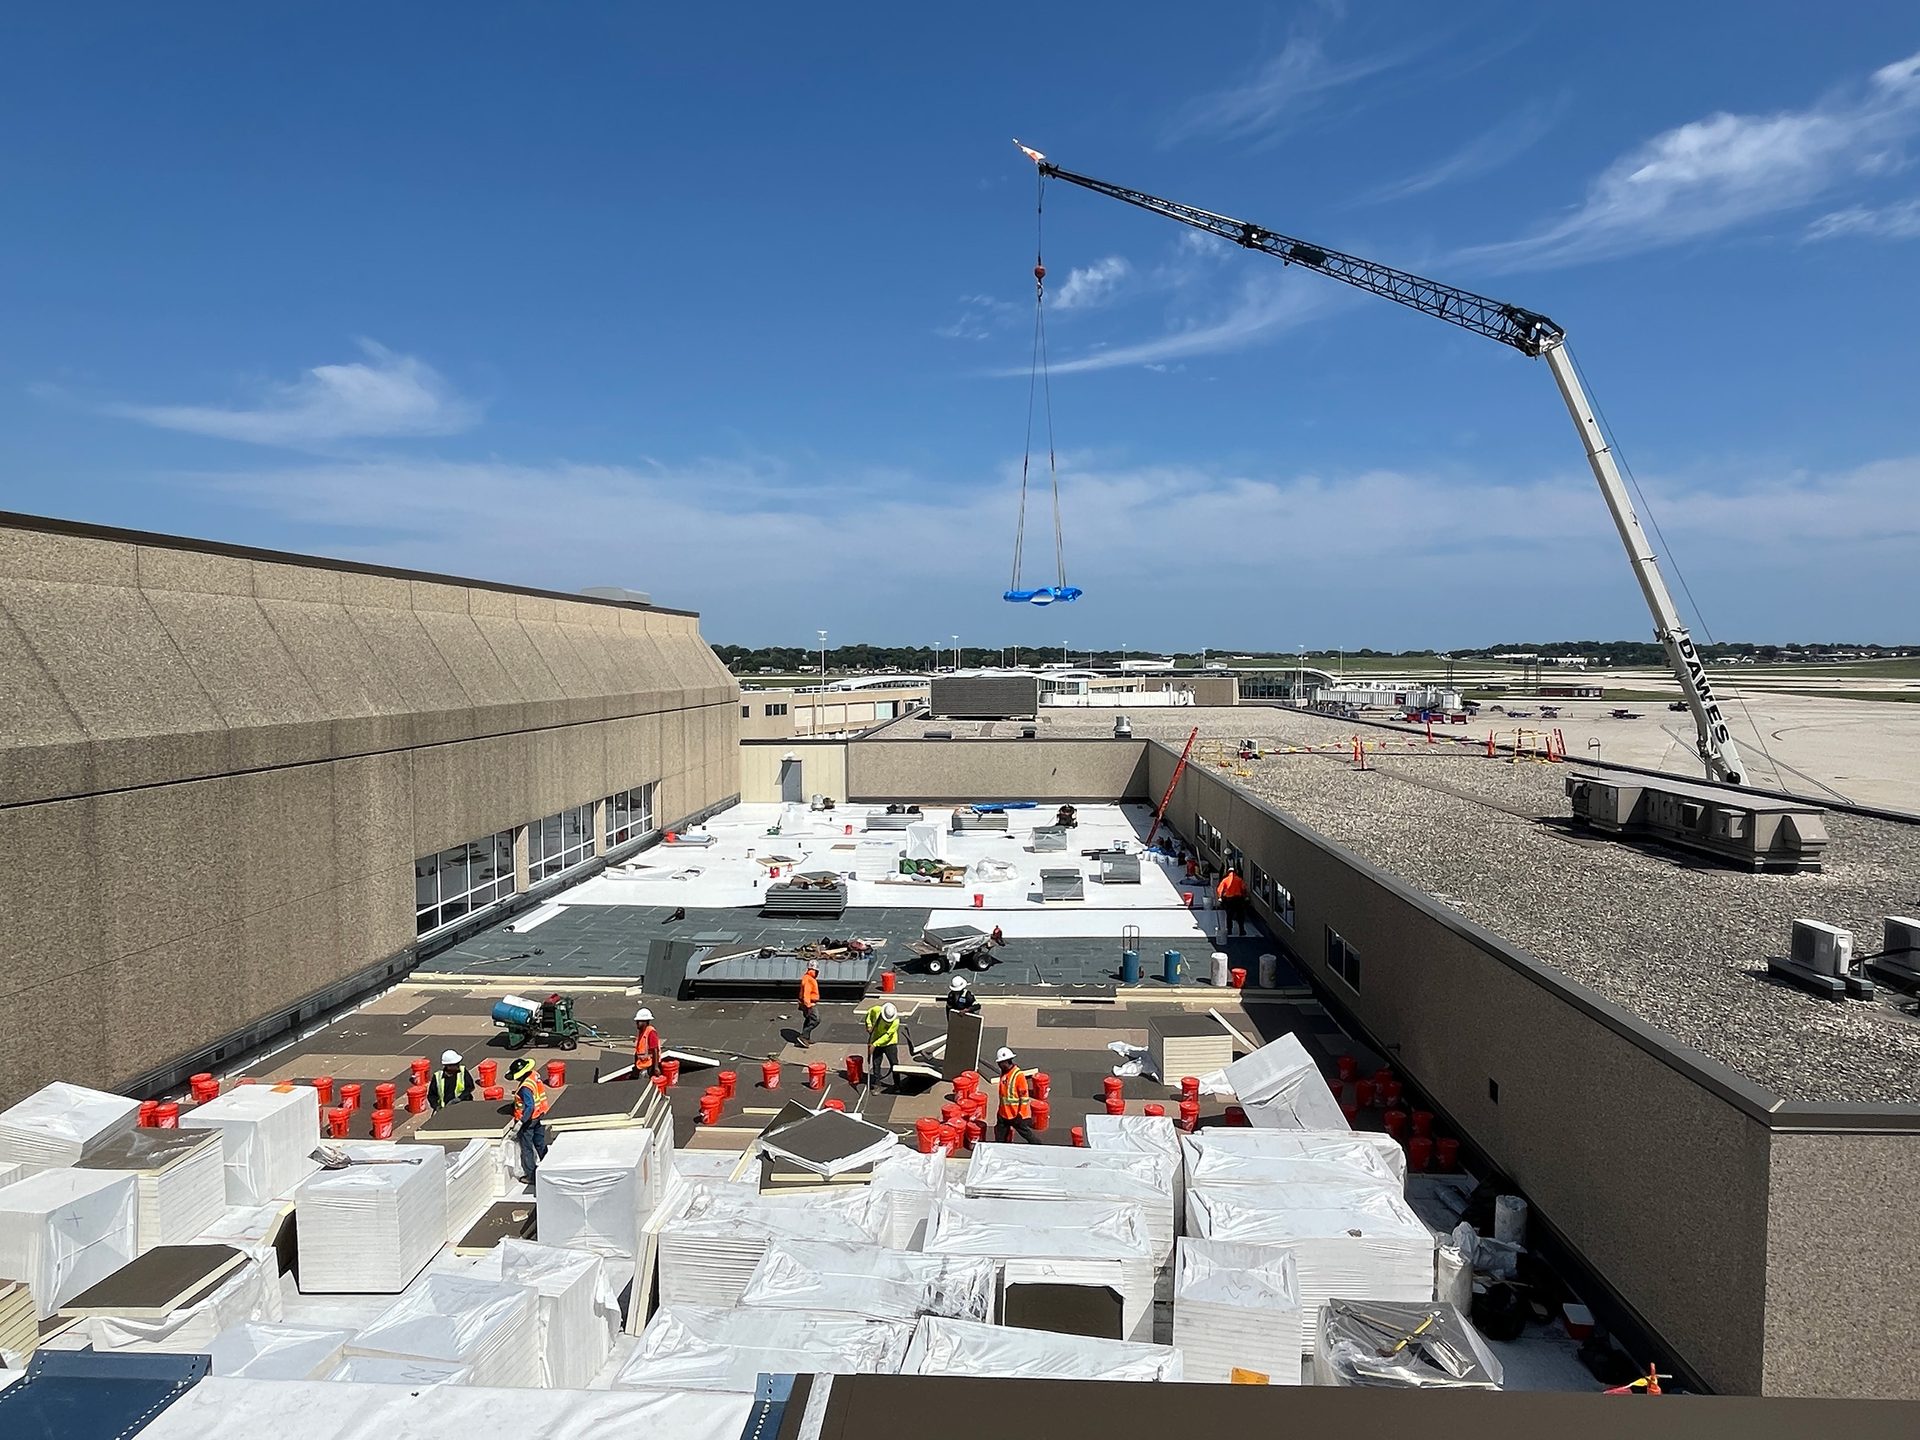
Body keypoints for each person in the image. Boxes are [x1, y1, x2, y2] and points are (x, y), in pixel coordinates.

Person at [506, 1057, 552, 1182]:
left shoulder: (525, 1088)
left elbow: (529, 1105)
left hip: (529, 1120)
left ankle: (531, 1176)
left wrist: (521, 1122)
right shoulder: (534, 1075)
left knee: (526, 1148)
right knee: (540, 1143)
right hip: (540, 1114)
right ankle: (550, 1166)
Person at [992, 1047, 1039, 1143]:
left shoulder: (1018, 1076)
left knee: (1026, 1134)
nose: (999, 1065)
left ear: (1006, 1062)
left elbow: (1024, 1098)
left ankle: (1039, 1146)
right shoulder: (1004, 1073)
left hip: (1015, 1114)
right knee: (999, 1137)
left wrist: (1020, 1114)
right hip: (1003, 1114)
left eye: (1000, 1063)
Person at [861, 1000, 901, 1090]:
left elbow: (887, 1036)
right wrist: (869, 1025)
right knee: (876, 1063)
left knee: (894, 1064)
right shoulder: (876, 1010)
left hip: (890, 1043)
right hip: (876, 1039)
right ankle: (877, 1084)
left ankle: (897, 1084)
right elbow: (869, 1013)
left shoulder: (895, 1022)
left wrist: (874, 1044)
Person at [1215, 866, 1251, 938]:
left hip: (1229, 900)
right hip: (1238, 900)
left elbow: (1219, 889)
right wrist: (1245, 896)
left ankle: (1229, 931)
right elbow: (1243, 889)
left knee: (1229, 916)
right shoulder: (1239, 879)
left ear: (1228, 872)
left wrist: (1220, 897)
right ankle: (1241, 931)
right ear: (1235, 872)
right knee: (1240, 915)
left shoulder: (1225, 880)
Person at [632, 1006, 662, 1080]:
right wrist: (635, 1065)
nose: (637, 1023)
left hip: (649, 1066)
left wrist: (656, 1067)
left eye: (639, 1021)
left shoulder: (651, 1032)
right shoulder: (641, 1032)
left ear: (645, 1022)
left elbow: (655, 1050)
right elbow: (639, 1051)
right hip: (641, 1065)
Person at [797, 962, 821, 1047]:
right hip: (809, 1003)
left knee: (808, 1019)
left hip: (807, 1002)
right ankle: (803, 1036)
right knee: (816, 1020)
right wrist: (808, 1005)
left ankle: (806, 1037)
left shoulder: (808, 977)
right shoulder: (809, 979)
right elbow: (806, 993)